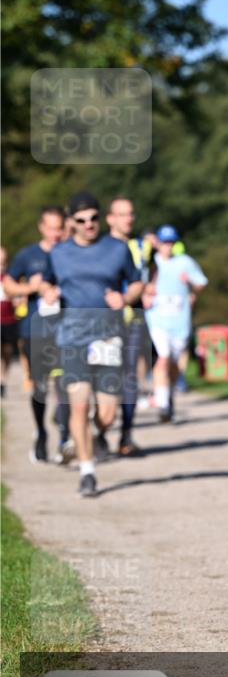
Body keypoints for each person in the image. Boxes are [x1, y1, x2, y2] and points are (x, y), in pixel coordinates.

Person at [40, 192, 143, 496]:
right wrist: (47, 292)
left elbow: (138, 281)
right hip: (72, 337)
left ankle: (89, 435)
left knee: (108, 414)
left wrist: (124, 298)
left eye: (93, 219)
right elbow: (46, 280)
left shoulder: (117, 249)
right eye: (81, 220)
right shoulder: (59, 253)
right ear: (71, 222)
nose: (88, 225)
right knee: (79, 405)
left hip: (108, 336)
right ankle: (87, 472)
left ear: (100, 218)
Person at [2, 207, 72, 463]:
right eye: (51, 228)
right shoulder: (28, 255)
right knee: (41, 386)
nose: (56, 233)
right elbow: (8, 285)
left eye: (59, 228)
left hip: (66, 328)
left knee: (66, 383)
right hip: (35, 328)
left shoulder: (70, 252)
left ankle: (66, 438)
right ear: (41, 227)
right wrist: (31, 287)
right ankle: (41, 432)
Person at [143, 224, 207, 422]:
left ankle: (168, 395)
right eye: (164, 243)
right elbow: (138, 286)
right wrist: (146, 292)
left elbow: (201, 283)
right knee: (162, 358)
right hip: (157, 320)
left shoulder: (185, 262)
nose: (167, 247)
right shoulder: (151, 264)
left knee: (173, 364)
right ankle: (162, 404)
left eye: (171, 243)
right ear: (158, 244)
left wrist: (191, 285)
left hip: (180, 322)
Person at [106, 197, 153, 456]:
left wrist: (151, 287)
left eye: (131, 214)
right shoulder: (100, 247)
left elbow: (150, 272)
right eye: (122, 214)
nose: (129, 219)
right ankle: (101, 429)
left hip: (134, 317)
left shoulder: (141, 246)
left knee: (130, 378)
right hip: (105, 320)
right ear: (110, 218)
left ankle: (125, 436)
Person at [0, 247, 19, 397]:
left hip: (9, 320)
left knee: (7, 351)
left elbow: (18, 297)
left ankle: (3, 378)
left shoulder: (10, 277)